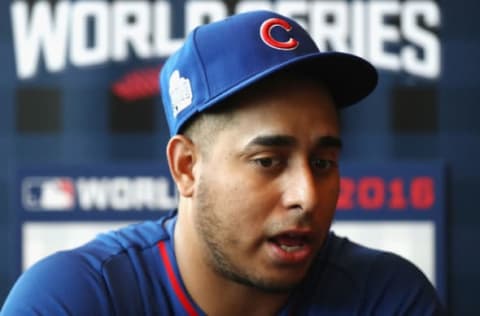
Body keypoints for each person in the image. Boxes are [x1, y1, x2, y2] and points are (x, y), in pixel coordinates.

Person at [1, 10, 445, 316]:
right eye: (269, 161)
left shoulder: (385, 298)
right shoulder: (75, 299)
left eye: (324, 162)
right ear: (187, 167)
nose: (307, 196)